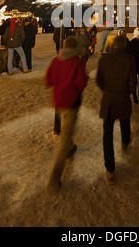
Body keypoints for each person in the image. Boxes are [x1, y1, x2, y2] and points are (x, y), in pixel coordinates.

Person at [43, 36, 88, 193]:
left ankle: (69, 146)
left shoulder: (57, 60)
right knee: (65, 136)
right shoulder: (77, 61)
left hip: (58, 102)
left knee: (65, 126)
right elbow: (81, 83)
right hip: (71, 103)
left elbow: (47, 80)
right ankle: (54, 178)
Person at [96, 35, 137, 184]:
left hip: (109, 99)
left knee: (107, 135)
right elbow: (133, 81)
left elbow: (99, 80)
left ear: (113, 46)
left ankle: (110, 170)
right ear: (124, 46)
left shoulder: (104, 59)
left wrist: (107, 90)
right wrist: (130, 91)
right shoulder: (129, 59)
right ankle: (125, 142)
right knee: (125, 121)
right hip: (123, 97)